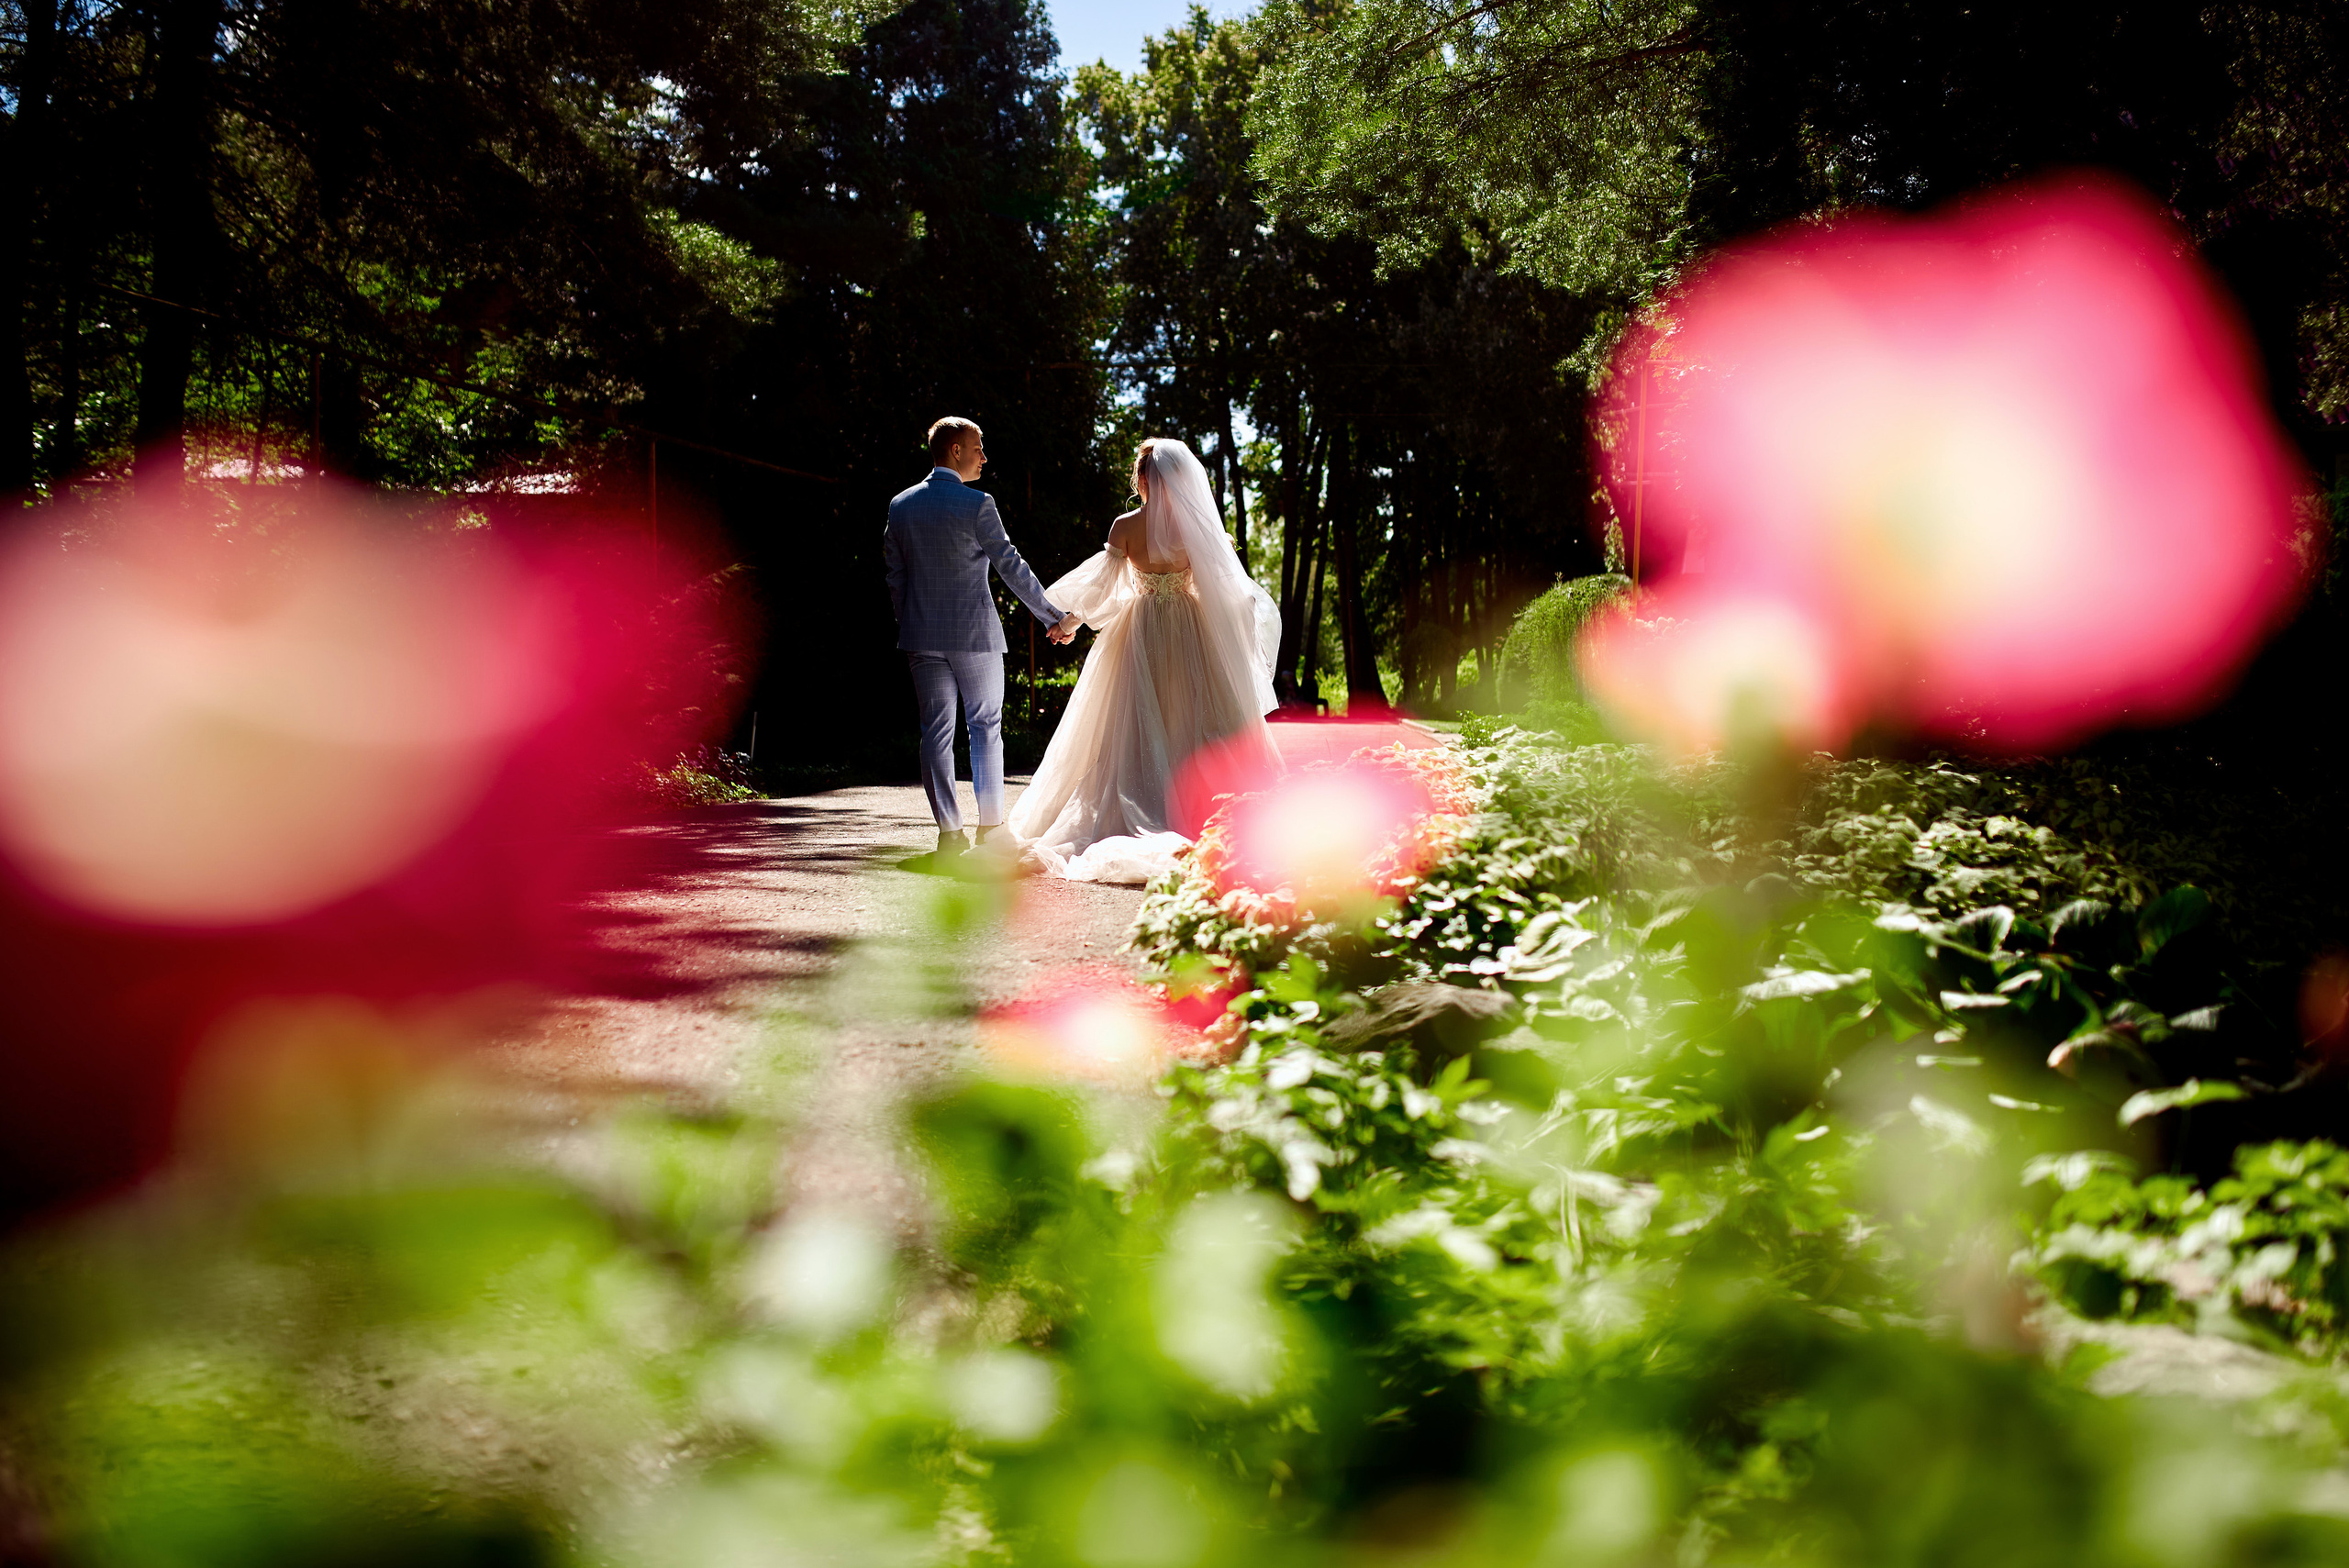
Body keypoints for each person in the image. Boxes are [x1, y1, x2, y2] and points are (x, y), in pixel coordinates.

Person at [1007, 438, 1282, 883]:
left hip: (1142, 628)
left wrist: (1069, 623)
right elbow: (1227, 591)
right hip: (1191, 631)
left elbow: (1102, 588)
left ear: (1142, 478)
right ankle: (1198, 801)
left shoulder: (1125, 526)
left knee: (1135, 719)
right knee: (1194, 714)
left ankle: (1145, 799)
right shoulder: (1197, 530)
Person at [884, 417, 1078, 859]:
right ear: (956, 450)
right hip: (974, 635)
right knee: (986, 727)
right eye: (978, 448)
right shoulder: (977, 504)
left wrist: (911, 621)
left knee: (935, 732)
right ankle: (990, 830)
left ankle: (949, 835)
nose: (983, 457)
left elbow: (896, 576)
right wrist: (1055, 616)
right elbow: (1011, 565)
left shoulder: (901, 505)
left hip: (921, 637)